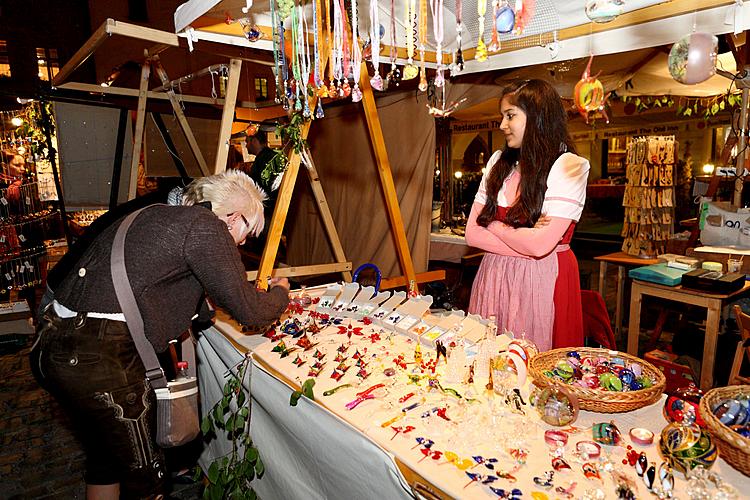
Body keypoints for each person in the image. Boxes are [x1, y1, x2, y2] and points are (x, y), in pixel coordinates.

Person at [30, 169, 290, 499]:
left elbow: (167, 289)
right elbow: (250, 311)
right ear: (233, 217)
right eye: (246, 233)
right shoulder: (205, 226)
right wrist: (281, 293)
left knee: (105, 460)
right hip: (99, 359)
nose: (241, 243)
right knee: (148, 482)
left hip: (54, 346)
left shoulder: (157, 215)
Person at [465, 79, 590, 352]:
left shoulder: (569, 166)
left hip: (544, 280)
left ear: (537, 118)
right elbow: (472, 234)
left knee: (537, 366)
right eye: (502, 116)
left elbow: (539, 246)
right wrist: (526, 238)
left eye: (511, 116)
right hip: (494, 276)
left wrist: (494, 224)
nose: (502, 125)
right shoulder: (499, 162)